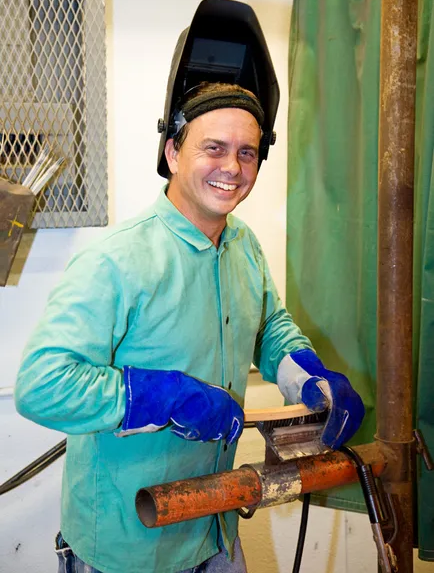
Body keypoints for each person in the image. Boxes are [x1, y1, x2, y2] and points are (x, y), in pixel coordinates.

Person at [14, 79, 364, 573]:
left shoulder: (243, 244)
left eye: (248, 153)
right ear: (173, 152)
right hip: (130, 543)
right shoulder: (116, 259)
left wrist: (309, 380)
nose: (233, 168)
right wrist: (165, 397)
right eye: (214, 148)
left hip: (216, 526)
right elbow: (41, 386)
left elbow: (269, 326)